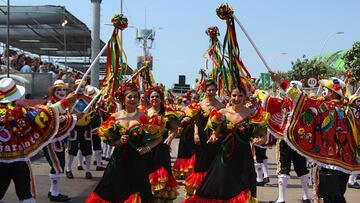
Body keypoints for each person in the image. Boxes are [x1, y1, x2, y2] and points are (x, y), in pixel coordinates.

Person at [271, 73, 360, 203]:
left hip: (329, 160)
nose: (323, 91)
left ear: (333, 93)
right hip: (346, 162)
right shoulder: (350, 110)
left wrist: (282, 81)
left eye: (326, 89)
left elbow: (301, 98)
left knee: (331, 197)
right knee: (338, 195)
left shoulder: (325, 107)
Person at [184, 87, 269, 202]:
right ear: (230, 96)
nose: (236, 98)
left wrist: (261, 140)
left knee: (243, 186)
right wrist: (214, 136)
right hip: (224, 155)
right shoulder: (222, 112)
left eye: (240, 96)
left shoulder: (252, 114)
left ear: (245, 97)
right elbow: (217, 133)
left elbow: (263, 136)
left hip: (243, 157)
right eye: (234, 95)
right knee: (220, 184)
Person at [0, 77, 78, 203]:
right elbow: (44, 113)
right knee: (26, 196)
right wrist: (66, 102)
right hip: (20, 161)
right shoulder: (20, 113)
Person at [86, 82, 161, 203]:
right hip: (118, 160)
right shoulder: (115, 117)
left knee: (138, 191)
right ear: (123, 99)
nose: (133, 99)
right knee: (111, 189)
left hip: (137, 160)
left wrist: (147, 148)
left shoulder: (144, 117)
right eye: (129, 97)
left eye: (135, 97)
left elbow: (158, 138)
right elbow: (109, 141)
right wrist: (119, 141)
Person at [184, 80, 225, 196]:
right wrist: (196, 134)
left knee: (214, 163)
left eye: (213, 90)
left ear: (216, 91)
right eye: (209, 90)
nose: (211, 92)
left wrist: (216, 134)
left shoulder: (221, 106)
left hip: (215, 139)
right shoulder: (200, 105)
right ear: (205, 91)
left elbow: (221, 124)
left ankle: (213, 190)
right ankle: (199, 191)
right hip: (201, 137)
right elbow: (196, 121)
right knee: (201, 163)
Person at [43, 80, 77, 202]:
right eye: (59, 90)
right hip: (50, 140)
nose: (62, 92)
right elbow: (55, 118)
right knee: (58, 165)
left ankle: (53, 191)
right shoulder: (50, 103)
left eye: (63, 90)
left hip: (57, 140)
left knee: (58, 165)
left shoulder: (62, 104)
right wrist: (74, 118)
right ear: (54, 92)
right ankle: (55, 194)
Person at [146, 85, 180, 202]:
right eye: (152, 97)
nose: (154, 99)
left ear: (161, 99)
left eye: (156, 97)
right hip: (148, 149)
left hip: (162, 148)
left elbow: (175, 129)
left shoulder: (167, 113)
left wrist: (170, 138)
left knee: (162, 174)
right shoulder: (145, 113)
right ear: (149, 99)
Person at [65, 79, 94, 179]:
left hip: (86, 127)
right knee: (72, 149)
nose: (80, 88)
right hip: (74, 127)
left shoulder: (89, 99)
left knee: (87, 149)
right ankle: (68, 169)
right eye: (78, 86)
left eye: (82, 86)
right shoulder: (71, 98)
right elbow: (67, 111)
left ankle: (88, 171)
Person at [173, 90, 199, 179]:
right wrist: (182, 121)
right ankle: (183, 172)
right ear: (190, 99)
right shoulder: (184, 108)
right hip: (185, 133)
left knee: (193, 152)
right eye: (193, 98)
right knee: (184, 151)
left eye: (197, 98)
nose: (195, 100)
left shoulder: (199, 108)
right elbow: (178, 122)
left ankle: (191, 172)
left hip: (195, 133)